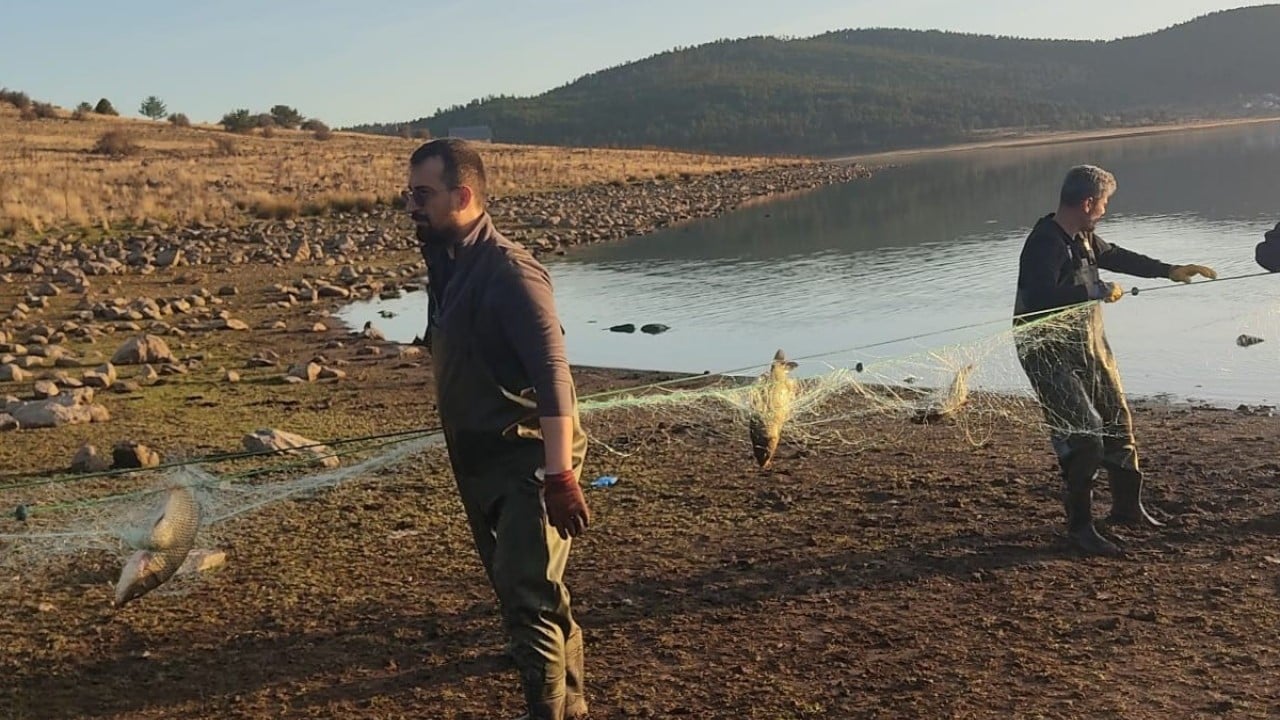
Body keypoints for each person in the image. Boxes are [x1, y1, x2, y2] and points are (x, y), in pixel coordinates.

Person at [406, 138, 591, 720]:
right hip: (479, 463)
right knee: (534, 595)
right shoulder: (448, 262)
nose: (411, 205)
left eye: (422, 195)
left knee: (526, 604)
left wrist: (559, 476)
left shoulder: (512, 273)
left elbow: (553, 375)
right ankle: (575, 707)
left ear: (462, 196)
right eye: (408, 194)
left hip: (528, 465)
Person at [1012, 164, 1218, 556]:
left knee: (1116, 419)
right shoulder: (1045, 242)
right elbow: (1039, 297)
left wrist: (1169, 270)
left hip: (1088, 345)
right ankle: (1081, 528)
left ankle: (1127, 509)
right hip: (1045, 352)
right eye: (1104, 203)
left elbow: (1117, 256)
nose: (1105, 210)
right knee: (1084, 435)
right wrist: (1097, 288)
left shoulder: (1083, 235)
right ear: (1088, 202)